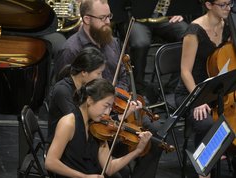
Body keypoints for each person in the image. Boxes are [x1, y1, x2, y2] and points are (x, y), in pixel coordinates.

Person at [53, 1, 169, 178]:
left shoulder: (112, 42)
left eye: (109, 16)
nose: (107, 22)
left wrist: (117, 100)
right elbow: (71, 105)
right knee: (120, 163)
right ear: (86, 19)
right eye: (102, 18)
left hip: (109, 113)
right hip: (88, 126)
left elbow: (122, 75)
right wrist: (113, 116)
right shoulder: (70, 50)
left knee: (155, 135)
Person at [45, 78, 152, 177]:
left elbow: (109, 167)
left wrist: (137, 151)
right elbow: (50, 162)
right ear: (90, 100)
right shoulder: (68, 123)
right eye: (106, 106)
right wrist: (84, 177)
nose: (107, 112)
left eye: (110, 107)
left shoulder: (99, 127)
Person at [175, 0, 232, 177]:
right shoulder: (194, 31)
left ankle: (222, 151)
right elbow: (185, 71)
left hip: (218, 89)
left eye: (229, 3)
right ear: (208, 5)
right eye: (222, 5)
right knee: (207, 123)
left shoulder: (229, 25)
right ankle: (204, 171)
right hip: (191, 91)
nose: (228, 8)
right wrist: (198, 99)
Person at [128, 0, 189, 104]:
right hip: (136, 19)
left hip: (164, 16)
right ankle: (139, 90)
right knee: (140, 43)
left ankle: (173, 88)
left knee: (188, 36)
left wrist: (178, 10)